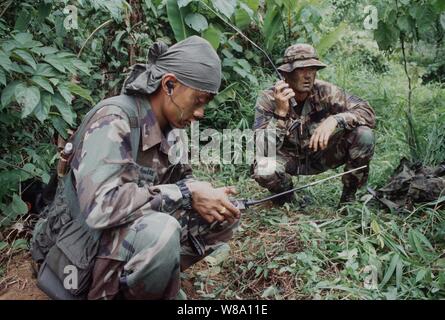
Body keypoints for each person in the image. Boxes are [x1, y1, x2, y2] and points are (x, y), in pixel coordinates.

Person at [31, 36, 240, 300]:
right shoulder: (114, 120)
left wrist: (204, 196)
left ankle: (148, 281)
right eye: (198, 100)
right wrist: (184, 192)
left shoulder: (174, 131)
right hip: (79, 243)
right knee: (161, 232)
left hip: (122, 229)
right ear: (169, 85)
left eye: (206, 103)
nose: (201, 112)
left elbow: (181, 182)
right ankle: (114, 288)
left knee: (224, 215)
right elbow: (100, 209)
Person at [252, 43, 376, 205]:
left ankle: (348, 199)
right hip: (289, 158)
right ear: (285, 73)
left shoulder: (326, 91)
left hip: (322, 154)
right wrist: (280, 114)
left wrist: (335, 120)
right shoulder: (268, 99)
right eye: (301, 70)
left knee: (364, 135)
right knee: (264, 167)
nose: (308, 75)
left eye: (312, 69)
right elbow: (263, 149)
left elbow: (368, 113)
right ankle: (288, 197)